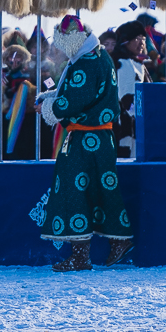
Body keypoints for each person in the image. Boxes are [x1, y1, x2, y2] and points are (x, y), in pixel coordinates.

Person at [37, 14, 134, 270]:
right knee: (101, 188)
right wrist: (49, 97)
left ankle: (81, 256)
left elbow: (76, 98)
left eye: (60, 42)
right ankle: (117, 239)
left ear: (73, 40)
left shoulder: (86, 62)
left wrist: (48, 107)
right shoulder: (97, 55)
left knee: (74, 190)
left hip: (85, 137)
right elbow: (76, 93)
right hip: (98, 137)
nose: (57, 48)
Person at [0, 43, 36, 160]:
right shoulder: (1, 74)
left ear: (24, 58)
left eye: (18, 57)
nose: (14, 60)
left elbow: (46, 88)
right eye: (11, 57)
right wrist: (1, 94)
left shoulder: (32, 74)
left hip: (25, 124)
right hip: (2, 122)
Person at [110, 21, 149, 159]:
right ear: (125, 41)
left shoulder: (135, 62)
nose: (142, 43)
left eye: (143, 39)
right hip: (126, 131)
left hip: (130, 130)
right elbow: (127, 100)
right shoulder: (123, 63)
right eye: (137, 39)